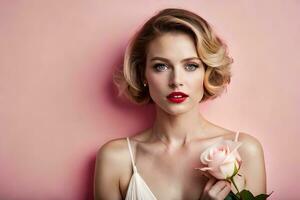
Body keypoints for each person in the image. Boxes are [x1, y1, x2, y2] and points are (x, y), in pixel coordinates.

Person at [94, 8, 266, 200]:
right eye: (161, 66)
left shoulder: (244, 150)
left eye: (191, 66)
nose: (176, 80)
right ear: (143, 74)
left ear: (207, 72)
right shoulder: (117, 159)